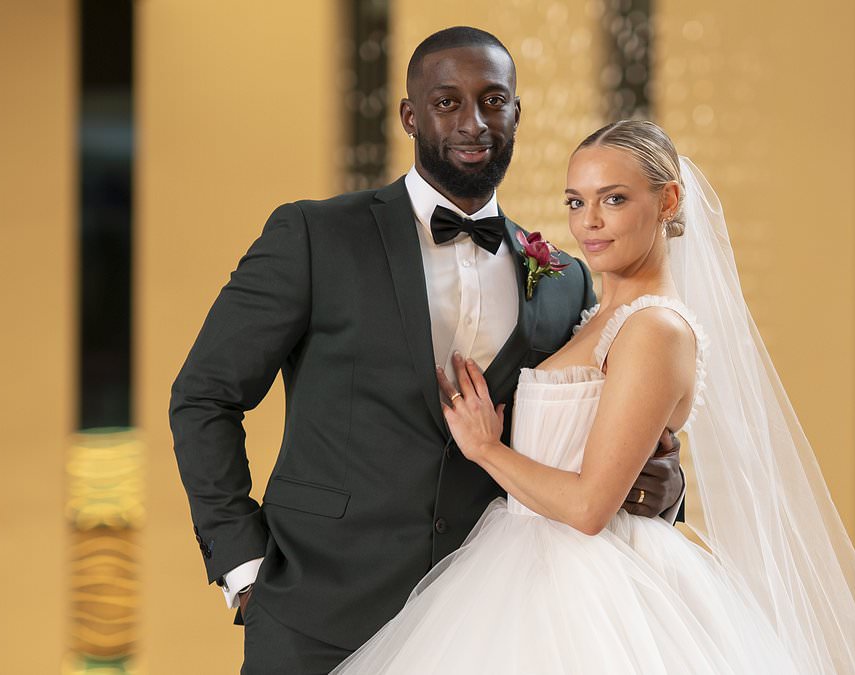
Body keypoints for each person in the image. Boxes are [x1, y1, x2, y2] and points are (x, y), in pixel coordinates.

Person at [169, 28, 684, 674]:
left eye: (493, 101)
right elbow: (203, 395)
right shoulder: (315, 236)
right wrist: (245, 570)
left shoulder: (565, 280)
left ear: (517, 113)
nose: (474, 122)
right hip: (316, 617)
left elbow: (598, 430)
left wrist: (663, 488)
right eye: (447, 102)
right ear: (410, 116)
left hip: (488, 627)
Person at [330, 120, 855, 674]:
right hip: (522, 563)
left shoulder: (655, 329)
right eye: (576, 201)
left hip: (592, 590)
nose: (589, 222)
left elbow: (590, 508)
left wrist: (485, 448)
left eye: (614, 199)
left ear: (668, 201)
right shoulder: (593, 314)